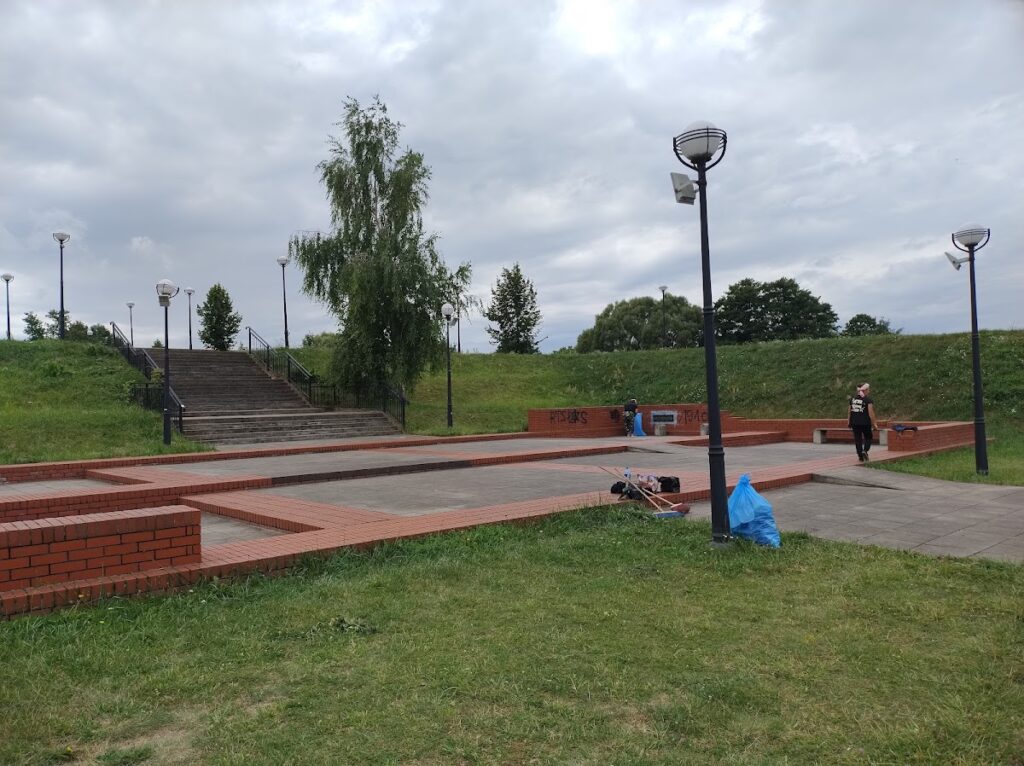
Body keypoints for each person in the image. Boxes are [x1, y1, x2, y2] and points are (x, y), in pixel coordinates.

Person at [848, 383, 877, 462]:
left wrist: (849, 422)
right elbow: (871, 413)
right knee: (868, 437)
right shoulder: (868, 400)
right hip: (865, 423)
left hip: (854, 423)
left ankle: (860, 456)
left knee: (858, 439)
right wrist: (874, 424)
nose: (869, 391)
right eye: (868, 389)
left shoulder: (852, 399)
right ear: (866, 390)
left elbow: (849, 412)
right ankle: (865, 450)